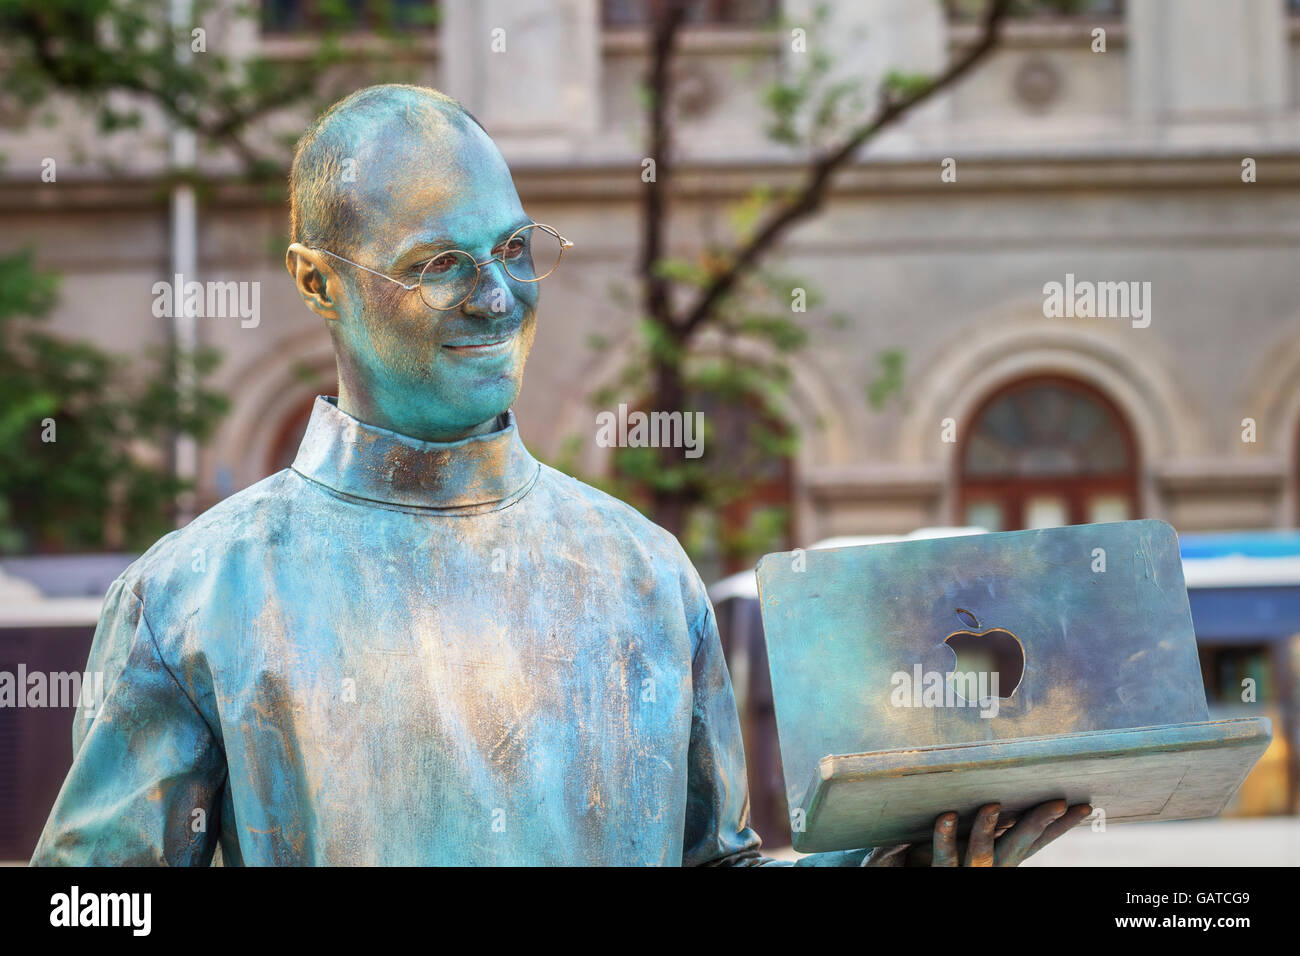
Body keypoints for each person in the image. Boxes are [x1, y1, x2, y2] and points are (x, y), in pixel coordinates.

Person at [32, 84, 1088, 866]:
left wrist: (884, 864)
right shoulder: (191, 598)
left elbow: (710, 864)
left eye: (514, 249)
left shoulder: (642, 569)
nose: (497, 296)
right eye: (439, 263)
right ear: (319, 281)